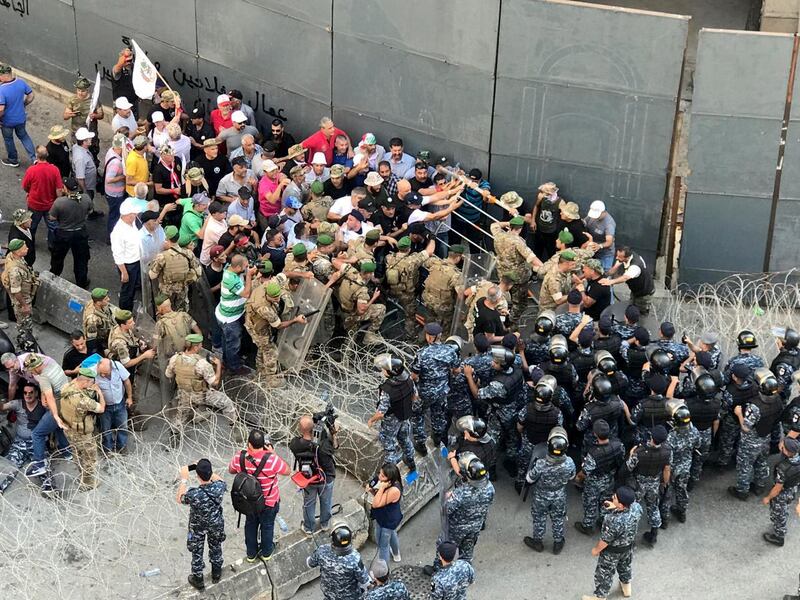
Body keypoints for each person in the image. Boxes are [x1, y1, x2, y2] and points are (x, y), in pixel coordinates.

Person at [424, 452, 495, 574]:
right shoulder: (490, 488)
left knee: (444, 549)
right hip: (475, 527)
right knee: (467, 552)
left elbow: (446, 510)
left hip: (456, 529)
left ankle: (439, 570)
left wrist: (447, 498)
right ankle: (464, 574)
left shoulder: (461, 494)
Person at [229, 430, 290, 562]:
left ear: (249, 444)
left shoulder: (239, 457)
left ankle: (251, 554)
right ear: (264, 444)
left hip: (249, 502)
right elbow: (287, 470)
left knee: (250, 525)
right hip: (269, 502)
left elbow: (231, 470)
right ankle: (266, 552)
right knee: (267, 526)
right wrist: (273, 453)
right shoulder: (272, 460)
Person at [166, 334, 236, 443]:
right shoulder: (202, 364)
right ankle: (235, 427)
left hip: (184, 394)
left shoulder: (175, 359)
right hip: (201, 396)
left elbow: (168, 374)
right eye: (200, 345)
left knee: (181, 417)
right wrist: (218, 365)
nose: (201, 346)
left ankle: (174, 438)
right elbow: (214, 382)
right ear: (195, 347)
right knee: (226, 403)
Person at [729, 368, 784, 500]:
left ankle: (742, 491)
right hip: (766, 437)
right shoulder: (778, 400)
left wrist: (739, 414)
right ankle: (759, 486)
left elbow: (746, 427)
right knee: (761, 462)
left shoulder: (754, 407)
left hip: (750, 441)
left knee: (745, 465)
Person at [582, 486, 643, 600]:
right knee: (625, 567)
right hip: (628, 547)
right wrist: (615, 506)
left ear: (620, 504)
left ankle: (600, 596)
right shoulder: (636, 508)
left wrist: (596, 550)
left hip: (611, 553)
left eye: (615, 498)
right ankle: (626, 587)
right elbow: (628, 510)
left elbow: (605, 540)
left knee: (604, 574)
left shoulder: (612, 520)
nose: (612, 498)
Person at [176, 459, 227, 590]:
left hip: (197, 527)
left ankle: (198, 578)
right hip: (215, 524)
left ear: (197, 476)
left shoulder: (194, 494)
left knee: (197, 551)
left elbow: (180, 498)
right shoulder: (219, 487)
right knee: (216, 547)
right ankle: (216, 573)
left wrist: (184, 479)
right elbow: (220, 480)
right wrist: (206, 470)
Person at [523, 427, 576, 554]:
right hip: (559, 495)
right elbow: (572, 477)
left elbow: (529, 479)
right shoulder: (569, 462)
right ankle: (558, 543)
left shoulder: (541, 464)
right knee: (558, 518)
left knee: (539, 518)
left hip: (541, 496)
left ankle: (538, 542)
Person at [244, 278, 307, 384]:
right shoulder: (264, 308)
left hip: (253, 321)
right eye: (274, 298)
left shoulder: (268, 285)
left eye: (278, 296)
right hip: (258, 329)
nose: (277, 300)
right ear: (268, 295)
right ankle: (270, 379)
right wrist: (296, 320)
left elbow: (283, 276)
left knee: (262, 348)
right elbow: (279, 325)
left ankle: (260, 370)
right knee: (271, 351)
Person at [410, 323, 460, 452]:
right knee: (438, 413)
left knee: (417, 414)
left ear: (429, 337)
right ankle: (437, 437)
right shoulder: (450, 350)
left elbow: (414, 376)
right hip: (442, 390)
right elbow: (456, 370)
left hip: (425, 391)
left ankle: (420, 443)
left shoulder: (422, 353)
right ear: (440, 336)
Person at [289, 414, 338, 534]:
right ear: (313, 428)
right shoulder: (323, 445)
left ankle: (309, 528)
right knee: (326, 501)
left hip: (308, 478)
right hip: (326, 478)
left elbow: (300, 441)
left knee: (309, 504)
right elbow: (335, 446)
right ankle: (325, 524)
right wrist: (333, 432)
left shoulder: (295, 444)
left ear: (300, 429)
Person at [59, 368, 106, 491]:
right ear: (85, 382)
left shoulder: (66, 387)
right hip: (82, 433)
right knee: (90, 458)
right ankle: (88, 483)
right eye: (90, 382)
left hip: (69, 428)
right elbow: (101, 409)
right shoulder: (83, 400)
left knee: (77, 454)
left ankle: (82, 475)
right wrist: (99, 392)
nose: (91, 384)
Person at [369, 355, 418, 472]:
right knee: (405, 439)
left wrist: (371, 420)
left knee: (388, 443)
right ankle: (411, 461)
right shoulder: (408, 379)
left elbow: (381, 413)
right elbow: (415, 396)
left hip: (392, 420)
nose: (382, 371)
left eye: (384, 369)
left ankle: (390, 472)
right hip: (405, 416)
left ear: (391, 373)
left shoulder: (388, 389)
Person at [576, 420, 624, 535]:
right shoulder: (618, 445)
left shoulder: (594, 453)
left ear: (595, 434)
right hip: (610, 478)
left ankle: (587, 525)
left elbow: (585, 471)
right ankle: (603, 520)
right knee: (606, 500)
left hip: (594, 482)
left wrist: (578, 478)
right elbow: (621, 459)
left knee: (590, 502)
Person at [625, 424, 671, 546]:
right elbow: (667, 469)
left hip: (638, 484)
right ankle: (653, 534)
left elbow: (629, 467)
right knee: (653, 507)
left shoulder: (639, 452)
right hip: (654, 483)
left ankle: (630, 539)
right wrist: (664, 483)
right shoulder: (667, 451)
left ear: (651, 437)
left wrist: (631, 453)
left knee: (633, 509)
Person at [0, 383, 45, 494]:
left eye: (31, 392)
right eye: (25, 392)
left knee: (42, 468)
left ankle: (50, 490)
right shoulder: (18, 404)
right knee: (9, 466)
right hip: (19, 443)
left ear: (36, 394)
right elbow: (2, 407)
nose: (27, 395)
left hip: (37, 444)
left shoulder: (43, 406)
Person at [660, 404, 700, 525]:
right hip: (685, 467)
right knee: (682, 490)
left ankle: (664, 518)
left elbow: (666, 454)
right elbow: (697, 446)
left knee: (667, 493)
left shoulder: (671, 436)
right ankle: (681, 512)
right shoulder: (694, 432)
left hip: (671, 469)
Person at [491, 216, 543, 311]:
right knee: (519, 302)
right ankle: (513, 319)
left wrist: (508, 223)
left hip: (503, 272)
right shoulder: (518, 242)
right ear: (520, 229)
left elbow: (494, 225)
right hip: (518, 276)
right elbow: (532, 258)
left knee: (506, 291)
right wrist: (544, 267)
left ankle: (504, 307)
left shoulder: (499, 235)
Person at [307, 523, 370, 600]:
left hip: (329, 594)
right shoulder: (355, 558)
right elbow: (365, 581)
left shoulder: (321, 550)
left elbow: (310, 563)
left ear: (333, 539)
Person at [216, 255, 256, 374]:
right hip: (230, 319)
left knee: (226, 341)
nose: (246, 268)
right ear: (238, 267)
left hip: (224, 314)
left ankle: (226, 360)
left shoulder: (229, 268)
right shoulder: (230, 279)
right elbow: (246, 293)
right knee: (233, 344)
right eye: (245, 267)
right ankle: (234, 367)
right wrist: (249, 275)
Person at [49, 177, 91, 289]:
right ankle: (82, 282)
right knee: (81, 259)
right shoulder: (86, 198)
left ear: (66, 189)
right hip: (80, 233)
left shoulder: (60, 202)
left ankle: (53, 277)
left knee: (57, 258)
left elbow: (52, 217)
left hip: (64, 234)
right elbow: (90, 211)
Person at [148, 225, 202, 312]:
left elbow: (152, 275)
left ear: (167, 239)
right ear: (178, 237)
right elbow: (199, 272)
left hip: (166, 292)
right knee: (182, 312)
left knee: (166, 312)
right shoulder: (188, 253)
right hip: (183, 290)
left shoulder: (162, 257)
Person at [762, 437, 800, 546]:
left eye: (782, 445)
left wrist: (768, 498)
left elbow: (777, 489)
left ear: (787, 451)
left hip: (782, 493)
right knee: (783, 509)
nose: (780, 445)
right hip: (793, 488)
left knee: (779, 512)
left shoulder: (783, 468)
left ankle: (779, 536)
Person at [2, 238, 38, 351]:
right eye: (24, 247)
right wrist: (24, 305)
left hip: (24, 294)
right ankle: (26, 342)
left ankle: (26, 337)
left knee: (24, 321)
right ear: (17, 251)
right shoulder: (15, 271)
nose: (27, 248)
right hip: (22, 299)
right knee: (24, 322)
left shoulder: (13, 257)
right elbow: (16, 291)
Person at [21, 145, 62, 246]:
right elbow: (59, 189)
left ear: (36, 156)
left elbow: (25, 186)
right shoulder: (54, 170)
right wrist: (59, 202)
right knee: (53, 226)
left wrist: (30, 192)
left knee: (32, 225)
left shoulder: (31, 170)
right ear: (47, 155)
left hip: (34, 204)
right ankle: (52, 245)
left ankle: (30, 244)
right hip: (50, 205)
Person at [421, 245, 465, 335]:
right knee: (445, 327)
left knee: (429, 322)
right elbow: (460, 293)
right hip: (443, 306)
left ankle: (425, 338)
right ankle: (442, 343)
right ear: (458, 258)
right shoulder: (455, 274)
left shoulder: (435, 263)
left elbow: (425, 260)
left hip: (428, 300)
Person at [366, 463, 404, 564]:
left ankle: (383, 571)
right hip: (384, 515)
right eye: (380, 473)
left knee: (383, 545)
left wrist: (382, 488)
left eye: (383, 476)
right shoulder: (385, 482)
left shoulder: (394, 490)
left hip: (387, 520)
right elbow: (380, 498)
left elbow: (376, 504)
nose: (379, 477)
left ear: (390, 478)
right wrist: (372, 490)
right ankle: (396, 554)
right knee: (392, 534)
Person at [600, 247, 655, 315]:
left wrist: (611, 282)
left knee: (639, 314)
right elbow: (615, 268)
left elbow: (625, 278)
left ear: (627, 257)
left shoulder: (635, 266)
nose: (617, 258)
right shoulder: (626, 258)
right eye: (617, 255)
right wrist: (610, 271)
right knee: (631, 308)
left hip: (644, 292)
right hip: (635, 290)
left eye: (619, 257)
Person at [0, 63, 35, 167]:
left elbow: (1, 109)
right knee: (24, 136)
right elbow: (31, 95)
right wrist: (24, 104)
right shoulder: (20, 82)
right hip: (21, 118)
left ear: (3, 75)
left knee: (8, 139)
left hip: (7, 121)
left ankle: (13, 160)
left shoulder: (1, 90)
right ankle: (34, 158)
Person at [111, 203, 143, 311]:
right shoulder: (118, 232)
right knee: (127, 291)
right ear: (128, 215)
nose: (136, 215)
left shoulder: (132, 222)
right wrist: (124, 272)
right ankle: (125, 312)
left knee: (133, 287)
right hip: (128, 265)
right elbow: (117, 254)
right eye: (134, 214)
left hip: (136, 261)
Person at [71, 127, 102, 218]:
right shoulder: (80, 158)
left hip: (89, 184)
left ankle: (90, 212)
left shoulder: (78, 147)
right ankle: (86, 215)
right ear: (84, 142)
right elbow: (80, 178)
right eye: (89, 139)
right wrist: (85, 192)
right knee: (86, 201)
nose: (91, 139)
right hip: (86, 186)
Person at [530, 182, 562, 260]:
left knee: (551, 253)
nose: (541, 193)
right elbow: (536, 206)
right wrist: (533, 220)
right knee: (537, 252)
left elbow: (565, 216)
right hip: (540, 229)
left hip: (551, 232)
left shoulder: (560, 202)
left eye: (543, 192)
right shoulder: (541, 197)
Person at [584, 200, 616, 274]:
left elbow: (609, 241)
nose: (595, 218)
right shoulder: (591, 217)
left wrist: (600, 246)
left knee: (604, 275)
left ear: (603, 212)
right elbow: (584, 223)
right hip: (592, 251)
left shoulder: (609, 223)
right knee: (590, 273)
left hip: (605, 254)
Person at [82, 288, 115, 356]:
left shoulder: (97, 303)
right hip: (102, 341)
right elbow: (92, 340)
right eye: (105, 299)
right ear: (98, 302)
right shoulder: (92, 320)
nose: (108, 299)